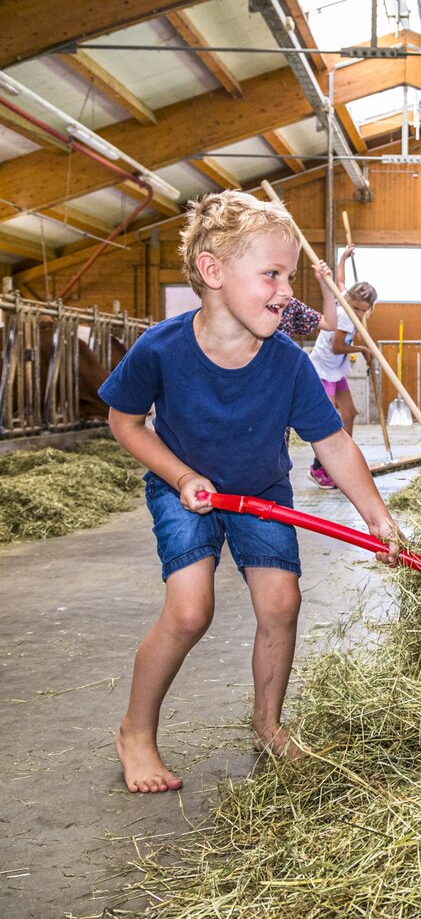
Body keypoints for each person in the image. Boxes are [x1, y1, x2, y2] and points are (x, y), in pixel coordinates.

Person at [99, 190, 401, 794]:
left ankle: (268, 725)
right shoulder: (160, 348)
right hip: (183, 489)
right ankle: (136, 730)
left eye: (288, 275)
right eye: (272, 274)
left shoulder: (287, 361)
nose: (287, 291)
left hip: (261, 489)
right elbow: (123, 421)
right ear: (213, 271)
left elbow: (334, 444)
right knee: (189, 612)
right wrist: (180, 476)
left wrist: (378, 519)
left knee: (281, 605)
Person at [305, 280, 378, 489]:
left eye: (363, 311)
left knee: (349, 413)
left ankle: (344, 461)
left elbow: (339, 280)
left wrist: (344, 257)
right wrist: (362, 349)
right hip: (323, 369)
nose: (358, 313)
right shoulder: (346, 315)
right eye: (355, 308)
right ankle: (319, 468)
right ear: (349, 301)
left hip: (336, 370)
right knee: (327, 420)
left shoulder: (347, 299)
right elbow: (337, 347)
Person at [276, 244, 356, 342]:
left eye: (290, 278)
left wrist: (325, 286)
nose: (288, 291)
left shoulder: (290, 306)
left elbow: (329, 324)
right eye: (271, 274)